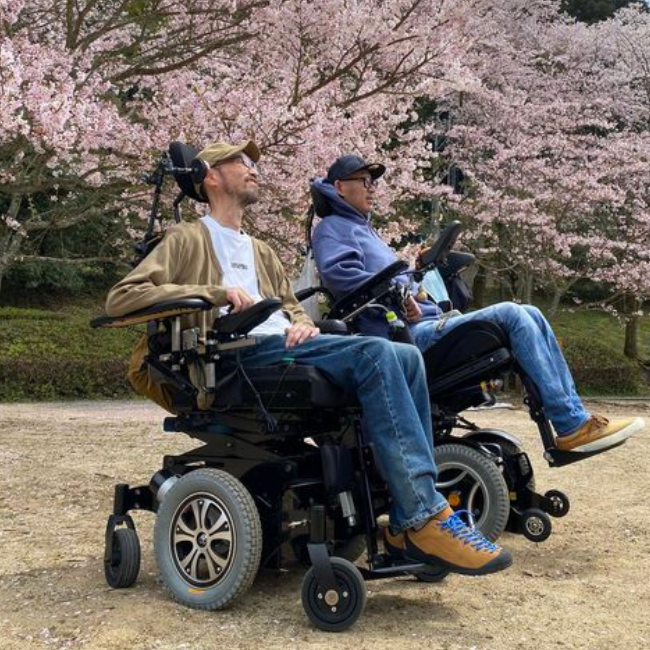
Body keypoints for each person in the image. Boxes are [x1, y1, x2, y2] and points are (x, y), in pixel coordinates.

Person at [105, 140, 513, 576]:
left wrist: (304, 325)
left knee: (406, 356)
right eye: (241, 161)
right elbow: (121, 298)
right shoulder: (186, 239)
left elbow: (291, 308)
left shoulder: (261, 251)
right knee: (377, 354)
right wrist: (214, 294)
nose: (253, 168)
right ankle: (422, 518)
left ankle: (408, 518)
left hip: (284, 347)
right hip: (234, 354)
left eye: (253, 162)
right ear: (211, 175)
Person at [311, 154, 645, 453]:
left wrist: (413, 285)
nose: (372, 188)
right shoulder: (333, 228)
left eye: (374, 182)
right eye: (364, 181)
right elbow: (342, 276)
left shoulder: (363, 229)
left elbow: (386, 279)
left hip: (416, 322)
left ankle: (574, 419)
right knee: (512, 314)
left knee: (530, 312)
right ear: (339, 187)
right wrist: (400, 295)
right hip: (403, 336)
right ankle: (570, 423)